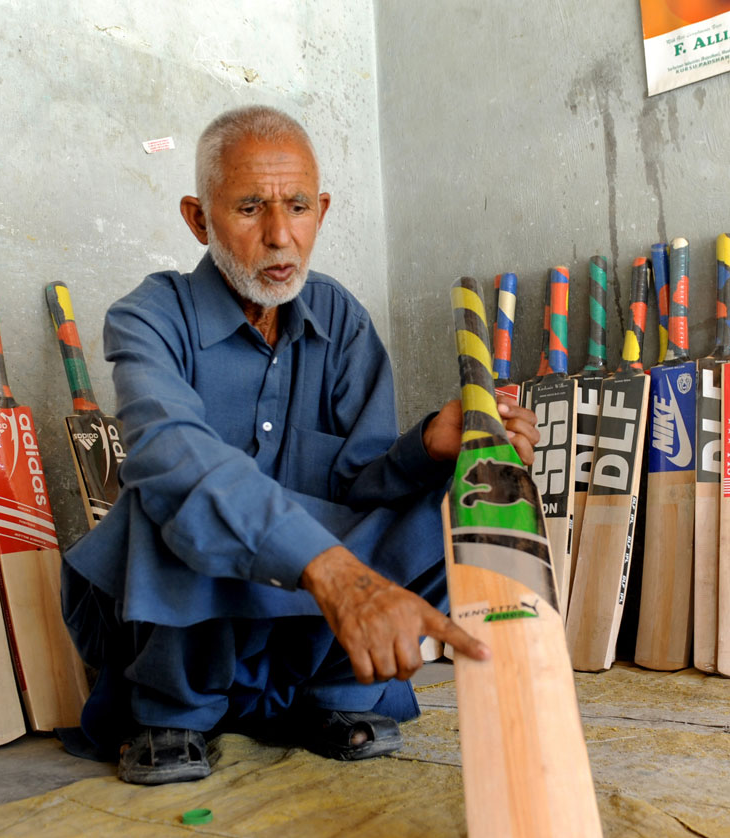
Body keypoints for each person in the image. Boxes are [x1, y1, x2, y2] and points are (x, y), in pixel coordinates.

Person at [60, 105, 539, 784]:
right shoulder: (149, 316)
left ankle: (334, 695)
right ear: (199, 219)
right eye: (250, 208)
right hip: (181, 624)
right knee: (178, 495)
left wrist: (427, 447)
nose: (281, 236)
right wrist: (338, 576)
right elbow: (171, 455)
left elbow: (357, 487)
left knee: (444, 498)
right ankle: (172, 712)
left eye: (299, 207)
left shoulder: (341, 321)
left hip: (301, 629)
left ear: (323, 210)